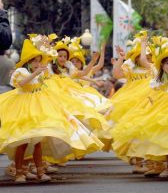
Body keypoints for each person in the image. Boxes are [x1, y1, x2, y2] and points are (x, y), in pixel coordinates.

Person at [0, 38, 103, 183]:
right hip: (23, 108)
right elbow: (21, 84)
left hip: (39, 106)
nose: (37, 63)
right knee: (23, 142)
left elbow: (49, 68)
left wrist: (44, 48)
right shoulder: (21, 71)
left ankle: (40, 172)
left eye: (38, 60)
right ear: (28, 61)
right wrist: (36, 72)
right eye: (34, 61)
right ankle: (19, 173)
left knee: (37, 141)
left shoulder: (42, 72)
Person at [111, 38, 168, 178]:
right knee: (165, 137)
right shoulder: (159, 80)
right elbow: (156, 92)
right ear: (162, 66)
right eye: (167, 63)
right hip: (164, 109)